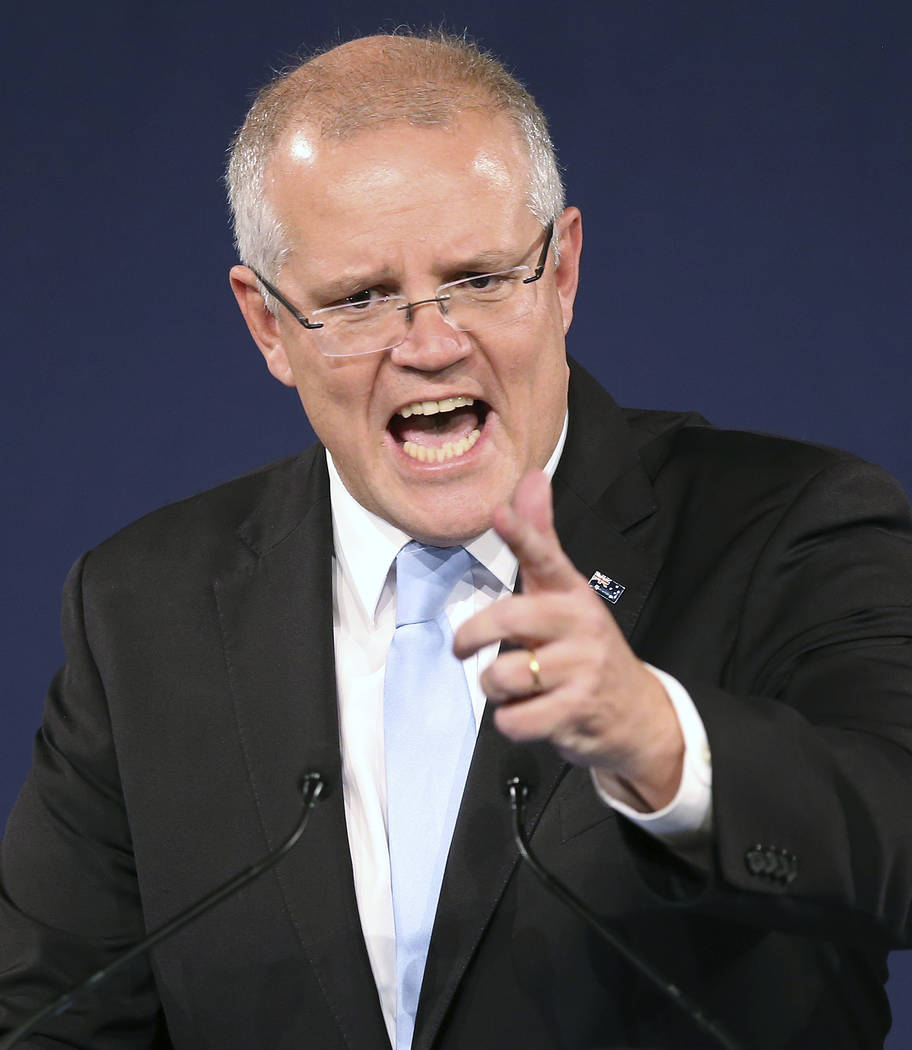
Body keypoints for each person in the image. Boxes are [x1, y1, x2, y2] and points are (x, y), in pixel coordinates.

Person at [2, 30, 912, 1050]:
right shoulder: (143, 608)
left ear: (562, 271)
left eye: (479, 278)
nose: (430, 345)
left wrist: (663, 742)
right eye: (359, 298)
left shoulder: (789, 525)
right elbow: (54, 1016)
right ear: (268, 327)